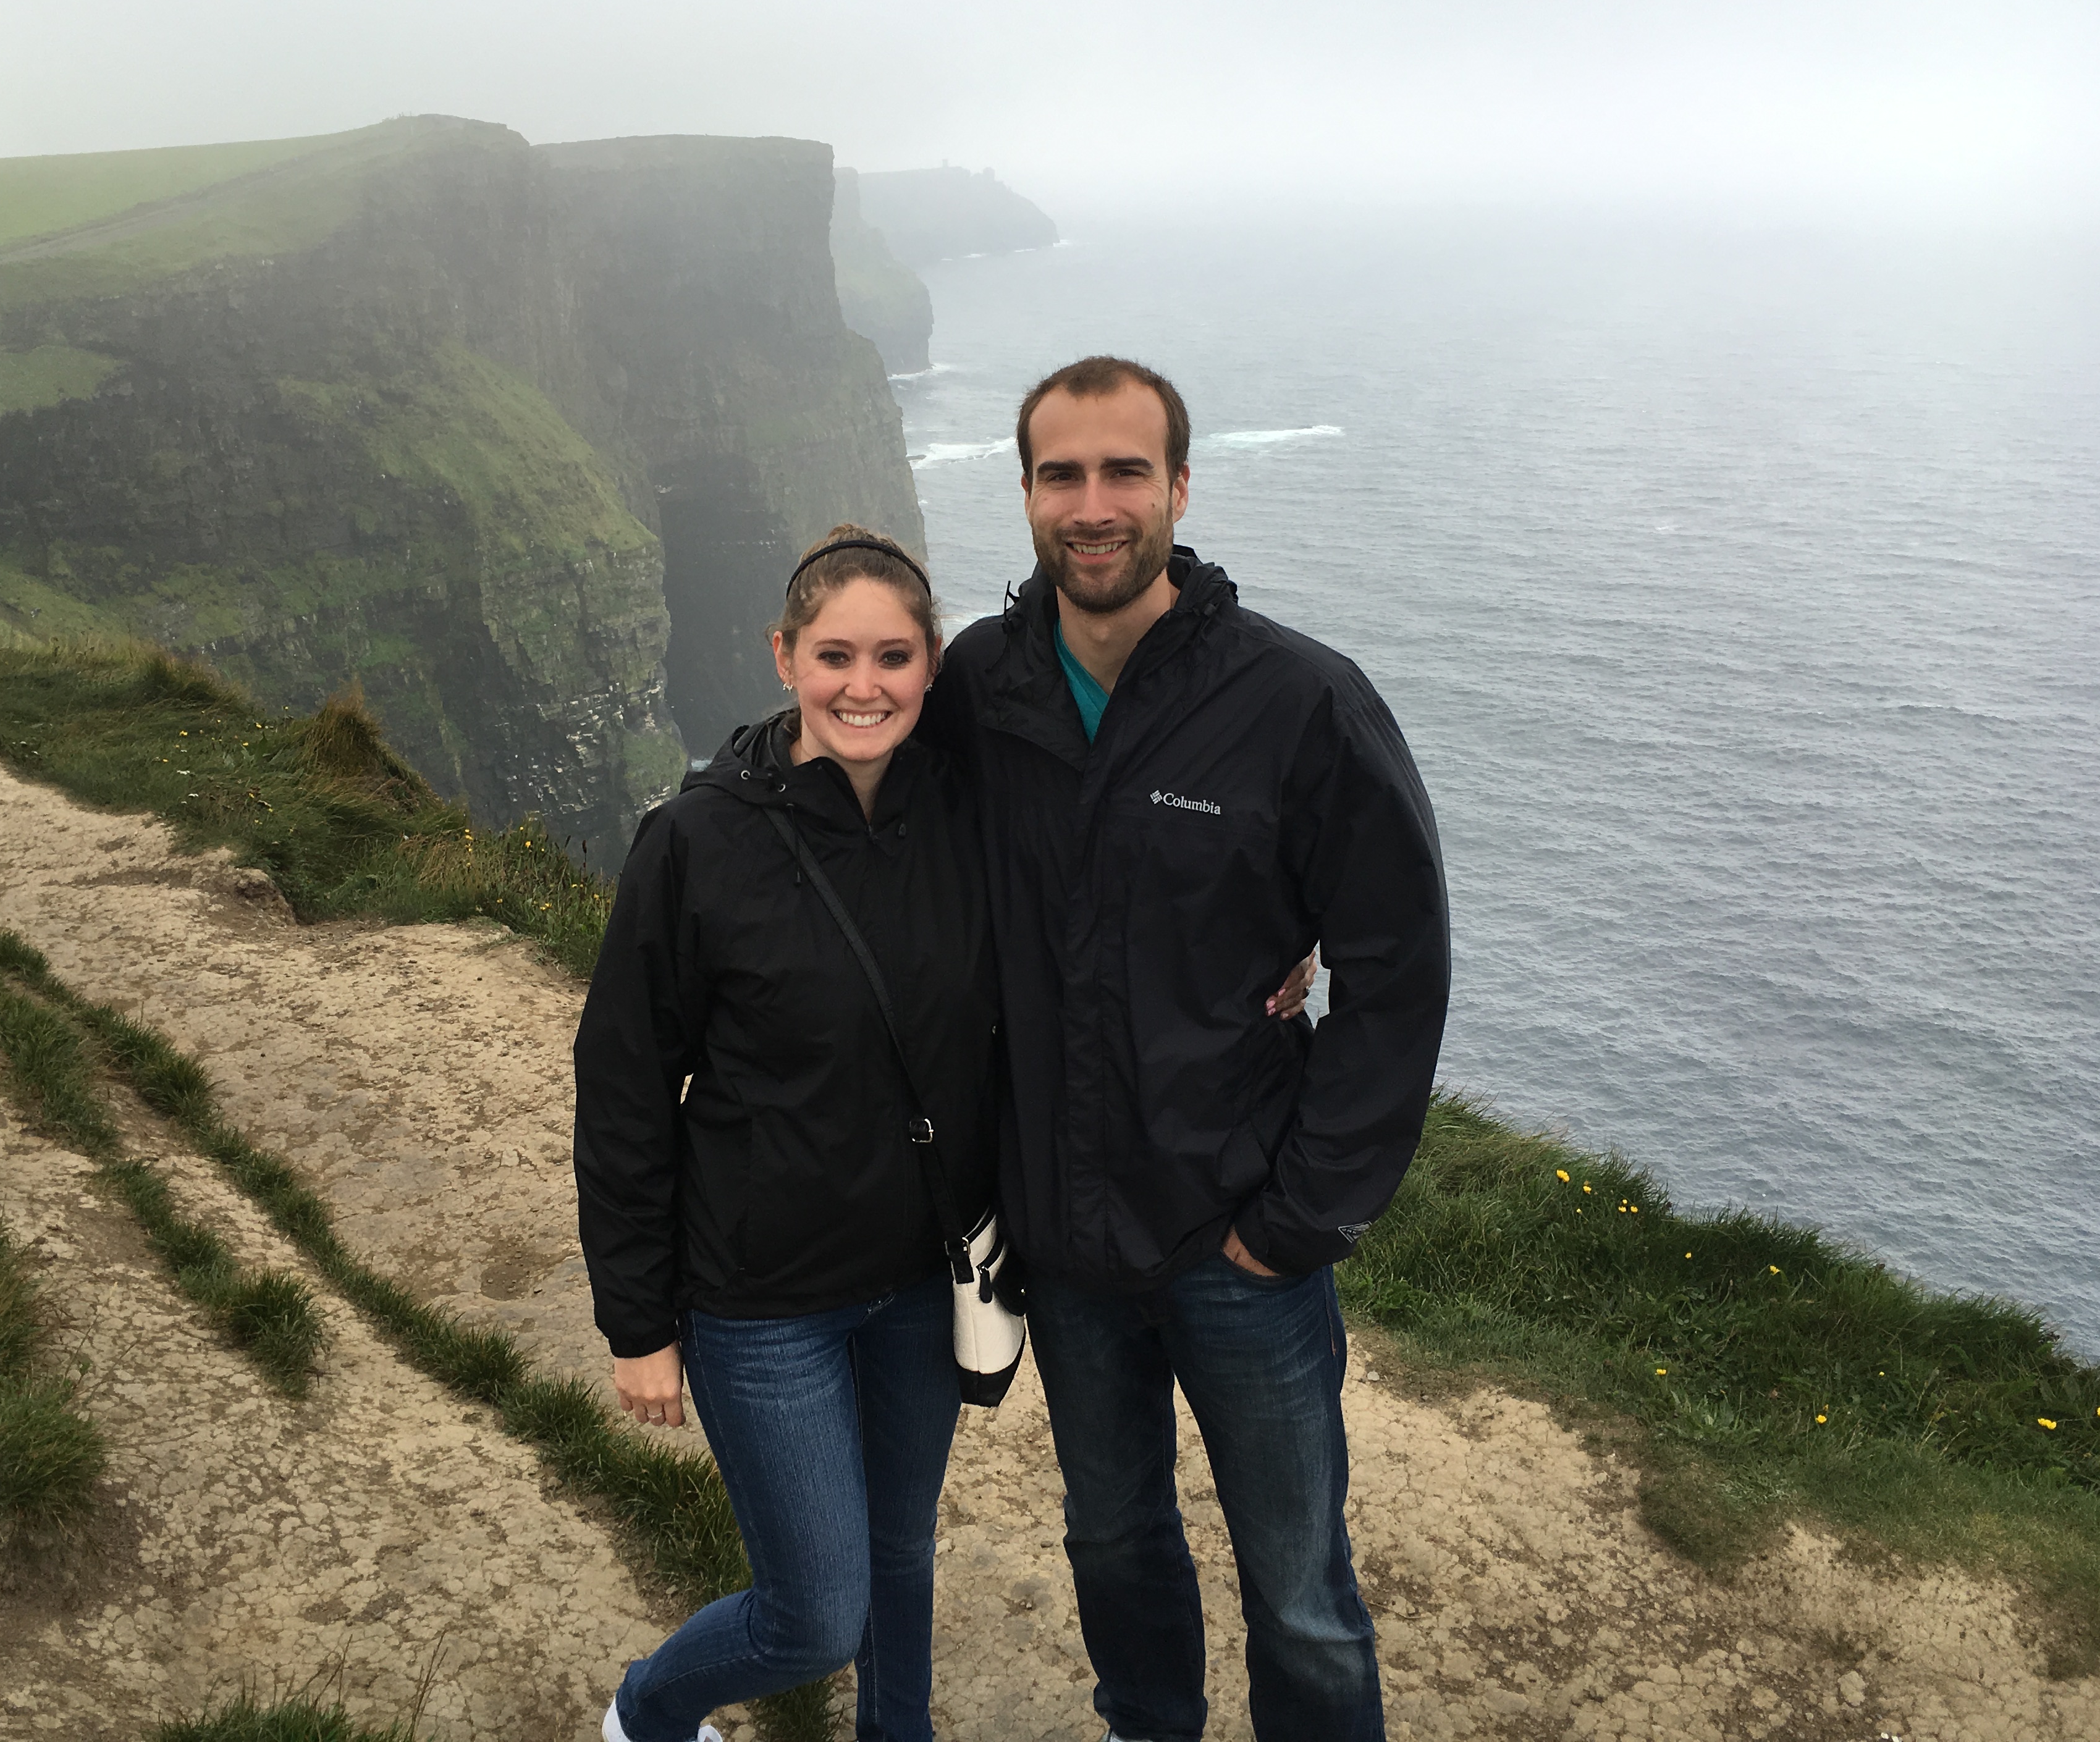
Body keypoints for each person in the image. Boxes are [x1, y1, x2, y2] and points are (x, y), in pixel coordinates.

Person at [919, 356, 1451, 1742]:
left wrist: (1298, 1218)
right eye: (1061, 475)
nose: (1093, 508)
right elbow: (849, 783)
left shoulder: (1298, 702)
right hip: (1066, 1243)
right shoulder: (979, 685)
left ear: (1179, 489)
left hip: (1238, 1243)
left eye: (1124, 473)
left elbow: (1398, 968)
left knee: (1304, 1597)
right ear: (1026, 492)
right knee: (1114, 1549)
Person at [573, 526, 997, 1742]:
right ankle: (649, 1712)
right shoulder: (698, 844)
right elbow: (626, 1091)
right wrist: (639, 1323)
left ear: (931, 665)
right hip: (763, 1306)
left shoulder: (966, 819)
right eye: (835, 655)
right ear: (783, 656)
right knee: (815, 1613)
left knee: (901, 1559)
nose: (864, 686)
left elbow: (1104, 903)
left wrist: (1274, 953)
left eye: (895, 657)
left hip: (923, 1283)